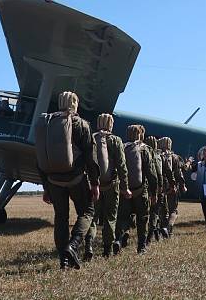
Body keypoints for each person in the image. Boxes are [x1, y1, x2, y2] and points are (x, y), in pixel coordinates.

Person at [36, 91, 100, 270]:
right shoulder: (81, 124)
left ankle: (63, 260)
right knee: (87, 211)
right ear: (75, 104)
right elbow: (90, 158)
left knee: (61, 217)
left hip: (53, 179)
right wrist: (94, 183)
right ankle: (73, 246)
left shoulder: (47, 123)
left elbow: (40, 157)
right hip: (76, 178)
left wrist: (46, 186)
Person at [84, 113, 130, 260]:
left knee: (91, 217)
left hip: (93, 184)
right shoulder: (116, 140)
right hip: (112, 185)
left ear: (98, 123)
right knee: (110, 218)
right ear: (111, 124)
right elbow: (122, 166)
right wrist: (125, 187)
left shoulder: (91, 138)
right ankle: (107, 250)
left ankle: (88, 245)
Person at [114, 124, 157, 254]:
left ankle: (118, 239)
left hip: (124, 189)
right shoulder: (145, 150)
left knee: (122, 217)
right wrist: (154, 192)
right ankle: (141, 247)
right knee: (142, 218)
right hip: (140, 190)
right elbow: (151, 173)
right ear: (140, 134)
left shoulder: (122, 146)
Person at [158, 137, 187, 238]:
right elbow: (179, 174)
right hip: (172, 187)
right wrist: (182, 185)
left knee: (161, 210)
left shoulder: (156, 155)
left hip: (159, 187)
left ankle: (160, 229)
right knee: (173, 210)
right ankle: (169, 227)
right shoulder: (175, 157)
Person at [144, 135, 163, 244]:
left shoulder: (142, 152)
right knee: (154, 212)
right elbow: (158, 174)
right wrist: (159, 188)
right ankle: (150, 235)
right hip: (154, 187)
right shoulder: (157, 156)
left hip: (144, 187)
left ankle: (154, 233)